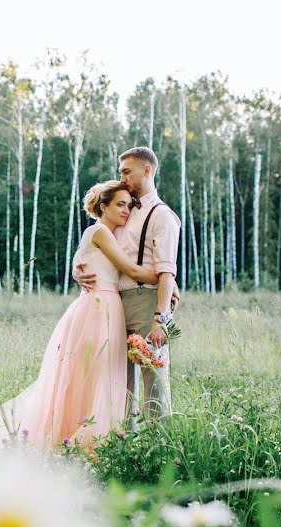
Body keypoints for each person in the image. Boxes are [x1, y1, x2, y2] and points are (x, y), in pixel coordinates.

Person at [0, 180, 162, 451]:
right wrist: (167, 277)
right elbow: (130, 270)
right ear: (103, 207)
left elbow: (84, 265)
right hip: (100, 308)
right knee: (97, 372)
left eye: (129, 206)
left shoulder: (96, 233)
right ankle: (90, 439)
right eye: (120, 205)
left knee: (93, 373)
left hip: (98, 305)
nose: (126, 211)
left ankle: (91, 435)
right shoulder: (100, 232)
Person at [75, 146, 181, 421]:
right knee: (121, 385)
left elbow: (167, 269)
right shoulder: (124, 209)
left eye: (126, 171)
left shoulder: (162, 215)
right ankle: (126, 447)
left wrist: (161, 318)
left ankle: (162, 452)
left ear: (146, 170)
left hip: (146, 303)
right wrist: (79, 269)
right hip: (116, 306)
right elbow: (98, 248)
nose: (121, 178)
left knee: (154, 382)